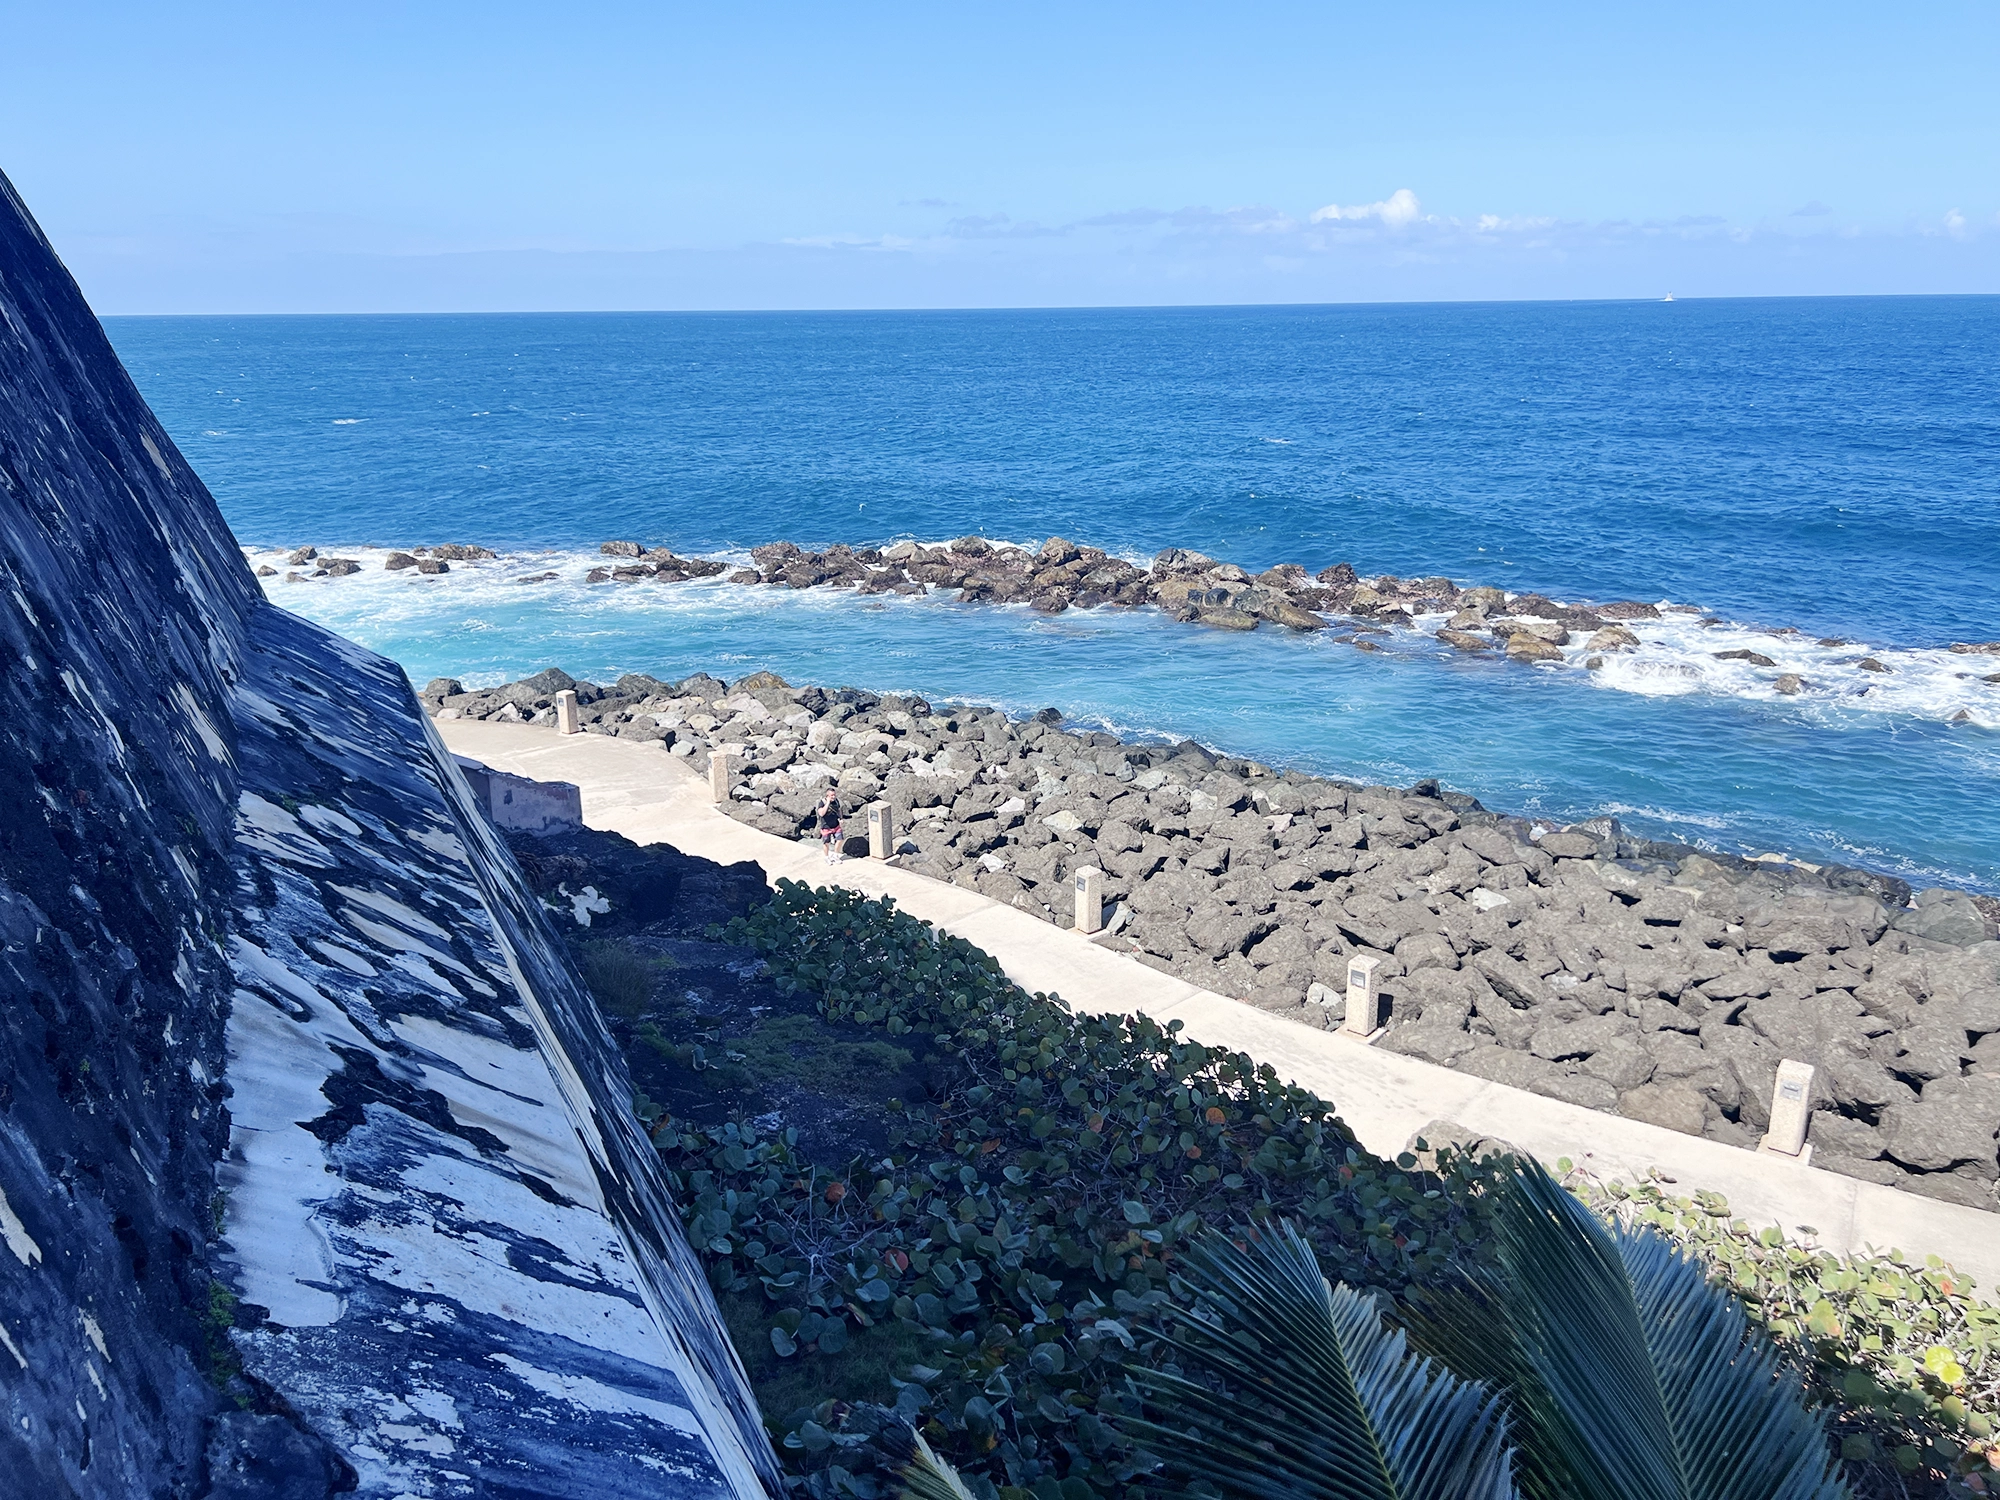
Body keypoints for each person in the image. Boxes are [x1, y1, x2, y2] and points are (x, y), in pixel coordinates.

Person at [816, 790, 844, 863]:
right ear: (827, 796)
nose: (834, 797)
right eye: (832, 795)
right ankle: (826, 857)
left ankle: (835, 855)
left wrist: (841, 818)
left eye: (834, 795)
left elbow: (839, 809)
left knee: (840, 839)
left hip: (836, 825)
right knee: (826, 843)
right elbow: (821, 813)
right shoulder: (822, 803)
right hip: (826, 827)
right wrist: (828, 803)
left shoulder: (836, 801)